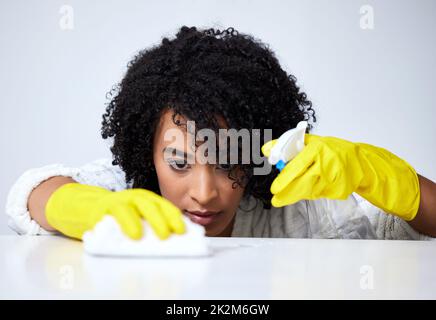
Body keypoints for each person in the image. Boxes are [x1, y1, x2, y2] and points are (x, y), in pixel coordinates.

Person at [6, 26, 436, 241]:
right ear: (146, 154)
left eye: (229, 159)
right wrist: (72, 203)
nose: (205, 192)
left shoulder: (297, 212)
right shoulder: (128, 200)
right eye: (178, 163)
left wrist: (382, 177)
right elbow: (30, 195)